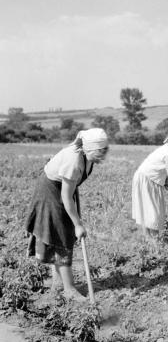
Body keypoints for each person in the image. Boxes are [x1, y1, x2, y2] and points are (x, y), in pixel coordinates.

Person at [25, 128, 109, 302]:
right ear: (88, 149)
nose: (102, 158)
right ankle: (69, 289)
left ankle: (58, 283)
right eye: (99, 154)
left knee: (62, 233)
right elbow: (66, 196)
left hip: (61, 188)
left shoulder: (86, 155)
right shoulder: (73, 161)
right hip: (50, 191)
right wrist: (78, 225)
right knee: (62, 236)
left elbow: (71, 188)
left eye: (104, 153)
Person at [132, 130, 168, 253]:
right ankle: (155, 246)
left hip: (149, 178)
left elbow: (162, 170)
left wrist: (165, 182)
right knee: (153, 215)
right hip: (147, 179)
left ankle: (150, 244)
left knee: (150, 214)